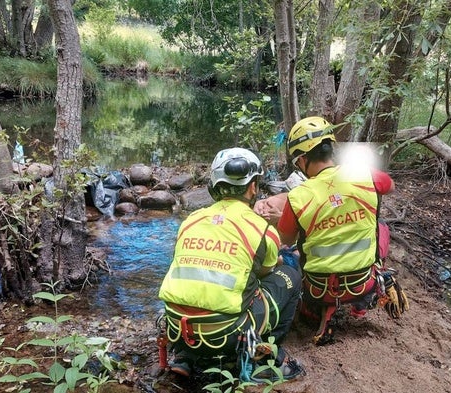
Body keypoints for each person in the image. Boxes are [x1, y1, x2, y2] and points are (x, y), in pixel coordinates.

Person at [158, 147, 305, 381]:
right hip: (225, 335)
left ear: (214, 186)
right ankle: (265, 353)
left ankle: (185, 356)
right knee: (289, 274)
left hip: (178, 328)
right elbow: (267, 271)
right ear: (253, 187)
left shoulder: (190, 220)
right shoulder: (262, 228)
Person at [276, 116, 409, 345]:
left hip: (318, 290)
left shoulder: (298, 196)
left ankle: (320, 312)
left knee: (289, 256)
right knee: (381, 226)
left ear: (303, 159)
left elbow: (285, 239)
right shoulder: (363, 175)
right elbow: (390, 186)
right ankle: (373, 291)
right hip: (361, 283)